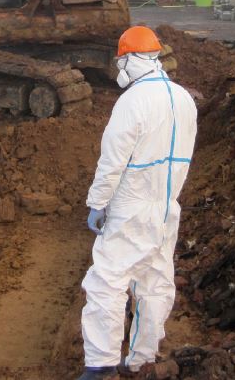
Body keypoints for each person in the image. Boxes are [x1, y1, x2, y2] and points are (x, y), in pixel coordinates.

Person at [78, 26, 198, 380]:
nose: (119, 70)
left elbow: (113, 160)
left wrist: (97, 202)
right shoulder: (184, 98)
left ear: (130, 58)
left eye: (121, 62)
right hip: (166, 208)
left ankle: (100, 365)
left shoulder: (132, 101)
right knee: (156, 281)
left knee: (107, 282)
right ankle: (142, 359)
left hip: (133, 207)